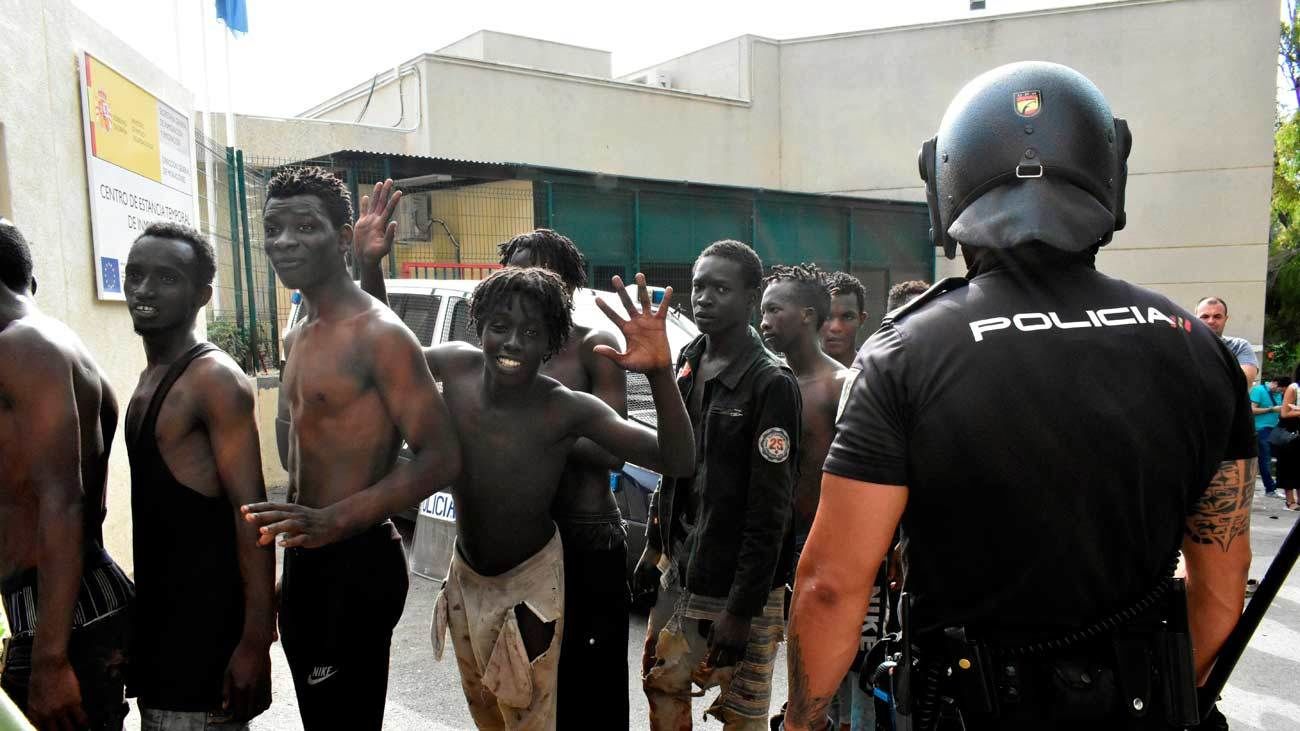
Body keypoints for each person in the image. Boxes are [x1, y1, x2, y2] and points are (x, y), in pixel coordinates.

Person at [784, 62, 1255, 730]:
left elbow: (831, 585)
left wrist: (801, 720)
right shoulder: (1198, 346)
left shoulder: (903, 356)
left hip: (966, 706)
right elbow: (1221, 589)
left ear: (945, 183)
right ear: (1108, 170)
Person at [382, 266, 692, 730]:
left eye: (531, 332)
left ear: (551, 346)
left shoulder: (564, 408)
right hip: (465, 577)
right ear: (479, 327)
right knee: (486, 709)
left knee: (530, 716)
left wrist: (660, 373)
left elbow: (677, 459)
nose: (511, 342)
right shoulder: (454, 367)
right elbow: (385, 359)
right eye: (500, 327)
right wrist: (370, 265)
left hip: (529, 587)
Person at [241, 167, 463, 731]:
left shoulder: (380, 334)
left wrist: (334, 519)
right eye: (273, 227)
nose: (283, 241)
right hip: (309, 560)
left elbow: (441, 455)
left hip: (357, 558)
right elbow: (297, 456)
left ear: (341, 238)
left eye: (305, 226)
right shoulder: (297, 334)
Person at [638, 240, 802, 730]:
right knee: (661, 690)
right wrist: (654, 548)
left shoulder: (771, 383)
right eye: (699, 286)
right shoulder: (689, 356)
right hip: (683, 570)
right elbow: (676, 468)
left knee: (741, 716)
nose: (704, 298)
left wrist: (740, 610)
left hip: (740, 589)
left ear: (751, 297)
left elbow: (771, 508)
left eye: (721, 289)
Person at [122, 222, 275, 728]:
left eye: (166, 278)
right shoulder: (152, 377)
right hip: (163, 649)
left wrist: (256, 641)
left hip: (204, 658)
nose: (144, 290)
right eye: (136, 275)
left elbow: (251, 515)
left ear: (202, 295)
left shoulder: (212, 380)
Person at [0, 219, 134, 729]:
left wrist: (50, 661)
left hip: (62, 621)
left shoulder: (23, 348)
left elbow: (66, 501)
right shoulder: (59, 345)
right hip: (70, 609)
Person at [498, 229, 632, 729]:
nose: (523, 281)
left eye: (537, 269)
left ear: (568, 281)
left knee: (591, 684)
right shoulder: (502, 350)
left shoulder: (595, 347)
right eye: (513, 269)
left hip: (587, 537)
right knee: (525, 683)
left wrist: (537, 429)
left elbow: (612, 450)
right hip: (520, 542)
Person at [759, 264, 867, 731]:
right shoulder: (770, 383)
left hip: (828, 550)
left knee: (838, 676)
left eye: (772, 309)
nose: (762, 319)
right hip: (775, 552)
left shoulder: (844, 386)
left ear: (806, 317)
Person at [1196, 296, 1259, 385]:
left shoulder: (1239, 346)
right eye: (1205, 316)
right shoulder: (1185, 345)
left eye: (1217, 316)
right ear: (1195, 319)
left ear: (1225, 319)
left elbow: (1244, 383)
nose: (1211, 321)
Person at [820, 272, 868, 368]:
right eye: (826, 317)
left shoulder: (875, 375)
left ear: (861, 319)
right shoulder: (791, 376)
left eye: (848, 317)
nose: (835, 327)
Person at [1249, 376, 1285, 498]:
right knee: (1265, 459)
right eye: (1280, 389)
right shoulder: (1259, 390)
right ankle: (1270, 489)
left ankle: (1274, 486)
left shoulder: (1279, 394)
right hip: (1261, 429)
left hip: (1275, 429)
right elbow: (1251, 409)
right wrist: (1271, 409)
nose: (1280, 392)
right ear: (1274, 383)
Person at [1278, 370, 1300, 510]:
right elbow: (1284, 413)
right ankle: (1290, 501)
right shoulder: (1294, 388)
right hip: (1292, 434)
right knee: (1289, 467)